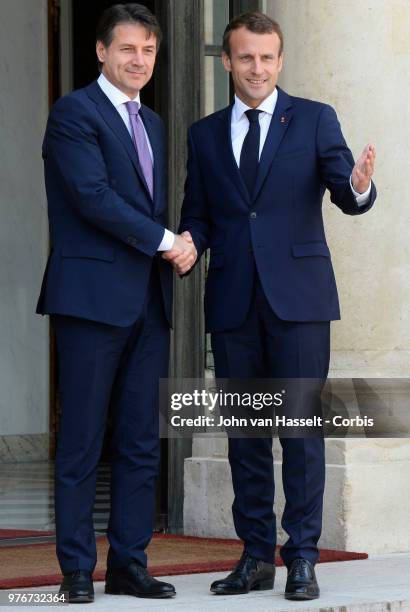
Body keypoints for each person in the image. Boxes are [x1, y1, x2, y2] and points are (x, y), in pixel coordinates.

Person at [165, 11, 376, 601]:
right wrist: (188, 244)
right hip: (234, 302)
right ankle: (256, 555)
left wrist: (359, 185)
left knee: (301, 433)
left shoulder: (313, 119)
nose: (257, 68)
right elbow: (200, 214)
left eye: (267, 58)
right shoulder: (205, 134)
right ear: (227, 61)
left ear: (280, 62)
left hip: (300, 303)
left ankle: (302, 556)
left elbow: (345, 192)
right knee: (247, 437)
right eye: (245, 57)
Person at [36, 3, 195, 604]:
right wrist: (167, 243)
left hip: (147, 306)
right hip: (91, 303)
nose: (139, 60)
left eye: (149, 51)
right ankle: (76, 570)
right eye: (127, 49)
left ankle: (129, 563)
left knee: (138, 441)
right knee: (81, 438)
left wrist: (182, 242)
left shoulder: (152, 124)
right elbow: (93, 197)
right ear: (101, 52)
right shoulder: (73, 114)